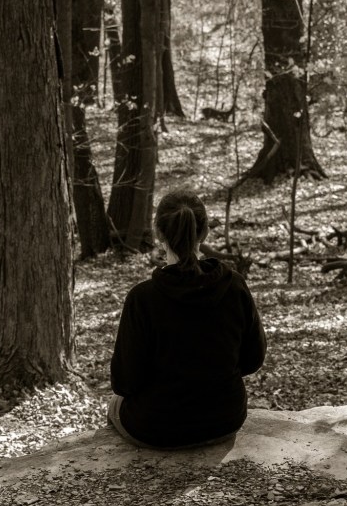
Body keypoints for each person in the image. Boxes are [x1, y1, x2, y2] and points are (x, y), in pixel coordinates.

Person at [108, 189, 267, 449]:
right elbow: (252, 360)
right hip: (225, 419)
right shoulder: (235, 286)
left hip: (156, 427)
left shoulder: (142, 298)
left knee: (113, 404)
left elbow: (125, 383)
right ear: (204, 233)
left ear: (159, 235)